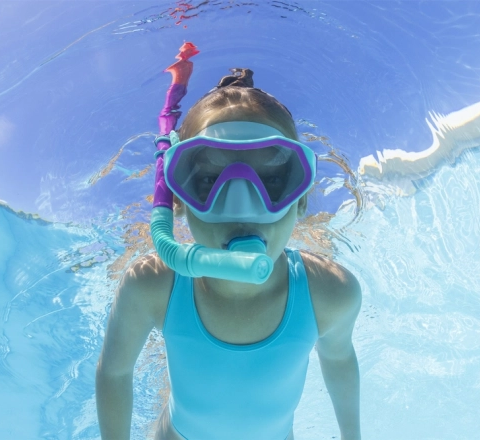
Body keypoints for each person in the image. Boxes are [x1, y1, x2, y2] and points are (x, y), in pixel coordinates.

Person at [96, 67, 362, 440]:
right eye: (208, 180)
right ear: (178, 203)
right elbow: (115, 372)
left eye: (271, 180)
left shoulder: (330, 293)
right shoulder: (151, 285)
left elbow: (339, 360)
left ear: (301, 199)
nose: (241, 204)